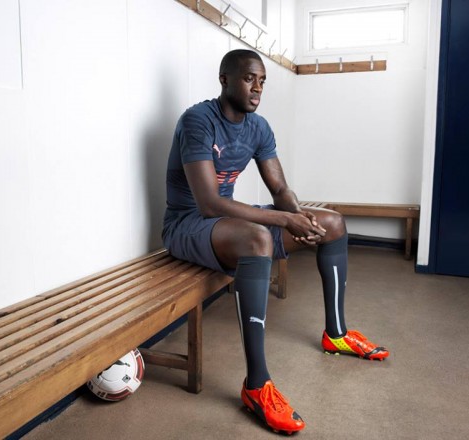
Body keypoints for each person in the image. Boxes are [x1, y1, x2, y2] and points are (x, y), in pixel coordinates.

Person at [162, 49, 389, 434]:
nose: (257, 88)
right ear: (225, 80)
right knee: (257, 240)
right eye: (249, 78)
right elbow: (209, 203)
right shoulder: (198, 121)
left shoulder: (259, 127)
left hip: (226, 223)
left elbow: (280, 189)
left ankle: (336, 334)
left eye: (262, 81)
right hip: (188, 225)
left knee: (332, 222)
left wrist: (300, 216)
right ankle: (256, 385)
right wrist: (284, 219)